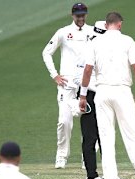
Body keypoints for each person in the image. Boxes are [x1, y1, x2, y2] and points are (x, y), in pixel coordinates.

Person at [79, 12, 135, 179]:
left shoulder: (95, 42)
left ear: (106, 25)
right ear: (120, 25)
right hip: (122, 91)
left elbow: (88, 69)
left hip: (102, 92)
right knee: (132, 137)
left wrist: (83, 96)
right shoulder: (128, 41)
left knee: (106, 140)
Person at [75, 20, 129, 179]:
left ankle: (110, 175)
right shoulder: (89, 49)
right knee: (91, 136)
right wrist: (83, 96)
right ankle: (91, 176)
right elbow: (80, 76)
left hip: (103, 95)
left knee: (106, 135)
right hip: (90, 95)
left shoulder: (101, 47)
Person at [42, 3, 93, 169]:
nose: (81, 18)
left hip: (87, 82)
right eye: (78, 15)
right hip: (67, 83)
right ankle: (61, 156)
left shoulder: (92, 32)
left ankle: (88, 158)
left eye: (83, 15)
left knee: (89, 122)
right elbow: (46, 53)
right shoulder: (63, 32)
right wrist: (55, 75)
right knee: (64, 121)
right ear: (73, 15)